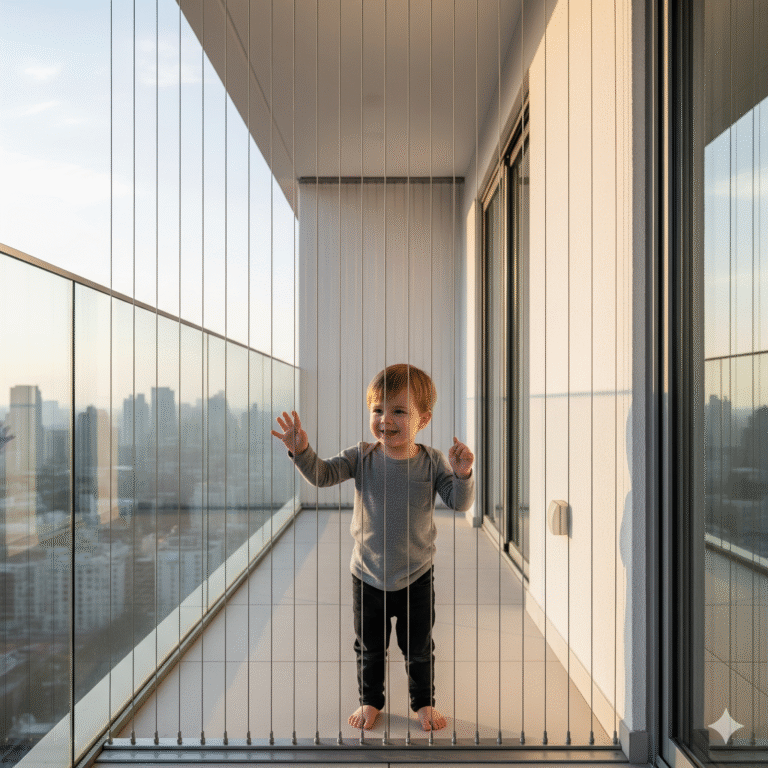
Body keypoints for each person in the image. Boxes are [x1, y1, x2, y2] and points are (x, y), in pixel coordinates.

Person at [271, 363, 475, 733]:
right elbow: (323, 475)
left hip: (416, 575)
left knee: (418, 648)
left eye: (399, 411)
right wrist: (302, 451)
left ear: (424, 419)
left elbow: (459, 503)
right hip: (367, 574)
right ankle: (371, 700)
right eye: (378, 409)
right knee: (369, 648)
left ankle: (423, 702)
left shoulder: (432, 462)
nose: (385, 419)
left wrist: (462, 475)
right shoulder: (361, 456)